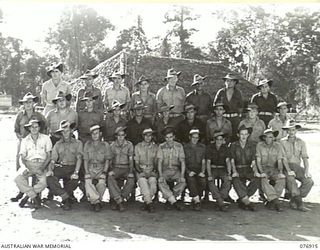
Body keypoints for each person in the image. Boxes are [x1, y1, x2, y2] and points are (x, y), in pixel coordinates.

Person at [11, 93, 47, 203]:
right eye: (26, 102)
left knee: (37, 168)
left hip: (36, 144)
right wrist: (21, 140)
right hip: (23, 143)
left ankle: (35, 194)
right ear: (23, 104)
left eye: (30, 102)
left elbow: (44, 128)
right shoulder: (20, 115)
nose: (28, 104)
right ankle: (23, 191)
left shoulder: (39, 116)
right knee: (22, 167)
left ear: (33, 103)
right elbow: (16, 129)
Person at [14, 120, 52, 209]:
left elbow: (49, 156)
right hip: (29, 164)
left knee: (46, 181)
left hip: (42, 164)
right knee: (17, 178)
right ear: (29, 128)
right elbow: (22, 157)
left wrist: (42, 168)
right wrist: (25, 167)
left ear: (39, 128)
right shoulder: (25, 140)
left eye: (36, 127)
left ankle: (28, 196)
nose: (34, 129)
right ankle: (34, 197)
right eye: (32, 127)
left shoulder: (46, 138)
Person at [46, 121, 83, 210]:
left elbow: (79, 159)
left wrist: (76, 172)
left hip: (73, 167)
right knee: (49, 178)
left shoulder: (78, 143)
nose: (65, 133)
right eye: (63, 131)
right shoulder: (58, 144)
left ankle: (66, 197)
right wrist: (50, 170)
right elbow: (53, 160)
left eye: (67, 130)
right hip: (61, 167)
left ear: (71, 131)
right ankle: (66, 197)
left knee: (74, 180)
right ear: (61, 133)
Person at [280, 121, 314, 212]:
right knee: (291, 180)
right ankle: (299, 204)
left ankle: (294, 199)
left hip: (297, 167)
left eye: (293, 130)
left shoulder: (301, 142)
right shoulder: (282, 142)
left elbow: (305, 158)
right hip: (285, 166)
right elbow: (283, 159)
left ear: (296, 130)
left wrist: (307, 171)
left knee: (309, 181)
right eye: (289, 130)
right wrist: (288, 170)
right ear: (287, 131)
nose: (291, 132)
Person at [230, 125, 259, 211]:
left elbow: (253, 161)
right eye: (242, 134)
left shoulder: (251, 145)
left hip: (247, 168)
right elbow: (232, 160)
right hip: (237, 167)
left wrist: (255, 171)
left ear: (248, 135)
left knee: (257, 178)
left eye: (245, 134)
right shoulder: (233, 145)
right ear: (238, 135)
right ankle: (246, 201)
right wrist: (234, 171)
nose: (243, 136)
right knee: (235, 179)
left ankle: (243, 198)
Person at [83, 125, 112, 212]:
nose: (94, 135)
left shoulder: (105, 145)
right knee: (88, 182)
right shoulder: (87, 145)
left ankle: (94, 201)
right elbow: (85, 161)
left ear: (100, 134)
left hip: (101, 168)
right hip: (90, 168)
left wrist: (104, 172)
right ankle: (97, 202)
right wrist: (87, 172)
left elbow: (107, 160)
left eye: (96, 133)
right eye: (92, 134)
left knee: (102, 183)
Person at [256, 128, 285, 212]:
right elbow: (258, 161)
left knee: (282, 179)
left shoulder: (278, 146)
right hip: (263, 167)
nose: (269, 139)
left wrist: (280, 172)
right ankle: (276, 201)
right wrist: (261, 172)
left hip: (273, 168)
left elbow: (279, 160)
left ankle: (272, 200)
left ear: (274, 138)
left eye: (271, 137)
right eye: (266, 137)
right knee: (263, 178)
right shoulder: (259, 145)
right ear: (264, 138)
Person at [157, 126, 186, 211]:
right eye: (167, 137)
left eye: (170, 137)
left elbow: (182, 162)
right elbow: (159, 162)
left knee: (183, 182)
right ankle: (174, 201)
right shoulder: (161, 147)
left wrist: (182, 175)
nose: (169, 139)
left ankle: (170, 199)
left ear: (174, 137)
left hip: (175, 170)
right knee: (160, 181)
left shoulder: (179, 146)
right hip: (165, 170)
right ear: (164, 138)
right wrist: (161, 175)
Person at [108, 127, 135, 212]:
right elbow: (110, 160)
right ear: (116, 136)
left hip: (126, 167)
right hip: (116, 167)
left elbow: (131, 159)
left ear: (125, 135)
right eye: (118, 135)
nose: (120, 137)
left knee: (131, 179)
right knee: (110, 177)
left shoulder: (129, 145)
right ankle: (120, 201)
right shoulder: (112, 145)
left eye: (122, 135)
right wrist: (111, 170)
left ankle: (119, 199)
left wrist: (130, 171)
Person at [206, 131, 232, 211]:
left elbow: (228, 161)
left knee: (228, 180)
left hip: (222, 168)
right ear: (214, 140)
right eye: (217, 139)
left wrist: (229, 173)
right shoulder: (210, 147)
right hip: (213, 168)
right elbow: (208, 162)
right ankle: (221, 202)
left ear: (223, 140)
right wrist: (209, 174)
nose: (219, 141)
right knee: (210, 181)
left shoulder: (225, 148)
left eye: (221, 139)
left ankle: (219, 200)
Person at [214, 73, 243, 142]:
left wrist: (238, 117)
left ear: (235, 82)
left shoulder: (238, 93)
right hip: (223, 118)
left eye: (231, 81)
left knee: (235, 137)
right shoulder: (221, 92)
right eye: (227, 81)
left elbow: (241, 106)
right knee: (223, 137)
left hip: (235, 119)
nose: (229, 83)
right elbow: (215, 105)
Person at [135, 128, 158, 213]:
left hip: (151, 169)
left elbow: (156, 162)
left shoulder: (155, 147)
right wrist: (140, 172)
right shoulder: (138, 147)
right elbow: (136, 162)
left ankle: (147, 202)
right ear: (143, 136)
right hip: (141, 169)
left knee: (153, 183)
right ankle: (149, 203)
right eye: (146, 135)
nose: (148, 137)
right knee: (143, 182)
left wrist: (154, 171)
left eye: (150, 135)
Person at [183, 129, 206, 211]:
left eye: (197, 137)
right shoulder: (185, 148)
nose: (195, 139)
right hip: (189, 170)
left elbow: (203, 161)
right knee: (191, 179)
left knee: (203, 180)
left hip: (199, 170)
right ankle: (197, 201)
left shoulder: (202, 147)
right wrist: (188, 172)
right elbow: (183, 162)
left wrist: (202, 172)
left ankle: (196, 198)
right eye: (193, 137)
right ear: (190, 137)